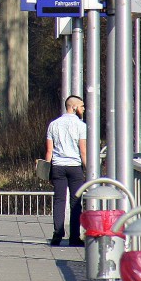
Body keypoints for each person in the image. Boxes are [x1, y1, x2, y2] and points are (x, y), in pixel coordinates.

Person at [44, 95, 87, 246]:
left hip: (57, 166)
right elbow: (83, 151)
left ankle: (57, 233)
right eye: (81, 106)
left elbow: (49, 151)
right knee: (76, 202)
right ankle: (74, 237)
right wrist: (88, 170)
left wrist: (47, 171)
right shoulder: (81, 126)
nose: (83, 108)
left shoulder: (53, 125)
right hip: (75, 167)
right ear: (74, 107)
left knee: (59, 200)